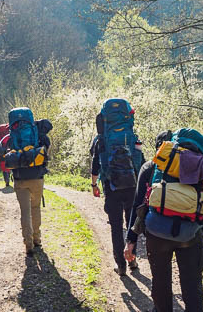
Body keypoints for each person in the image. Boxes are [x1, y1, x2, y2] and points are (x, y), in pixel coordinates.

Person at [124, 129, 203, 312]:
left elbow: (138, 205)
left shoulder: (151, 167)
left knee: (160, 284)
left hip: (156, 233)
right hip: (190, 236)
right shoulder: (202, 168)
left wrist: (131, 241)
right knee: (192, 287)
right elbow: (202, 209)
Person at [90, 98, 145, 276]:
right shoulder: (132, 137)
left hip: (111, 185)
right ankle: (133, 260)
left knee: (115, 226)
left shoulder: (101, 140)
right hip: (131, 186)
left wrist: (94, 184)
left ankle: (120, 266)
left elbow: (95, 165)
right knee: (131, 224)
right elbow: (141, 163)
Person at [3, 108, 51, 256]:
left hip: (19, 178)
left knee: (25, 211)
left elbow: (3, 154)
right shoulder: (39, 134)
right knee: (35, 208)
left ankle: (28, 243)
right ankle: (37, 239)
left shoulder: (10, 137)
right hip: (37, 177)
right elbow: (46, 151)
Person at [0, 123, 11, 188]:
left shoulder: (0, 136)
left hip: (1, 151)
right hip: (9, 150)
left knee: (3, 165)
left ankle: (6, 180)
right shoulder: (10, 133)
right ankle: (8, 177)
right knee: (10, 165)